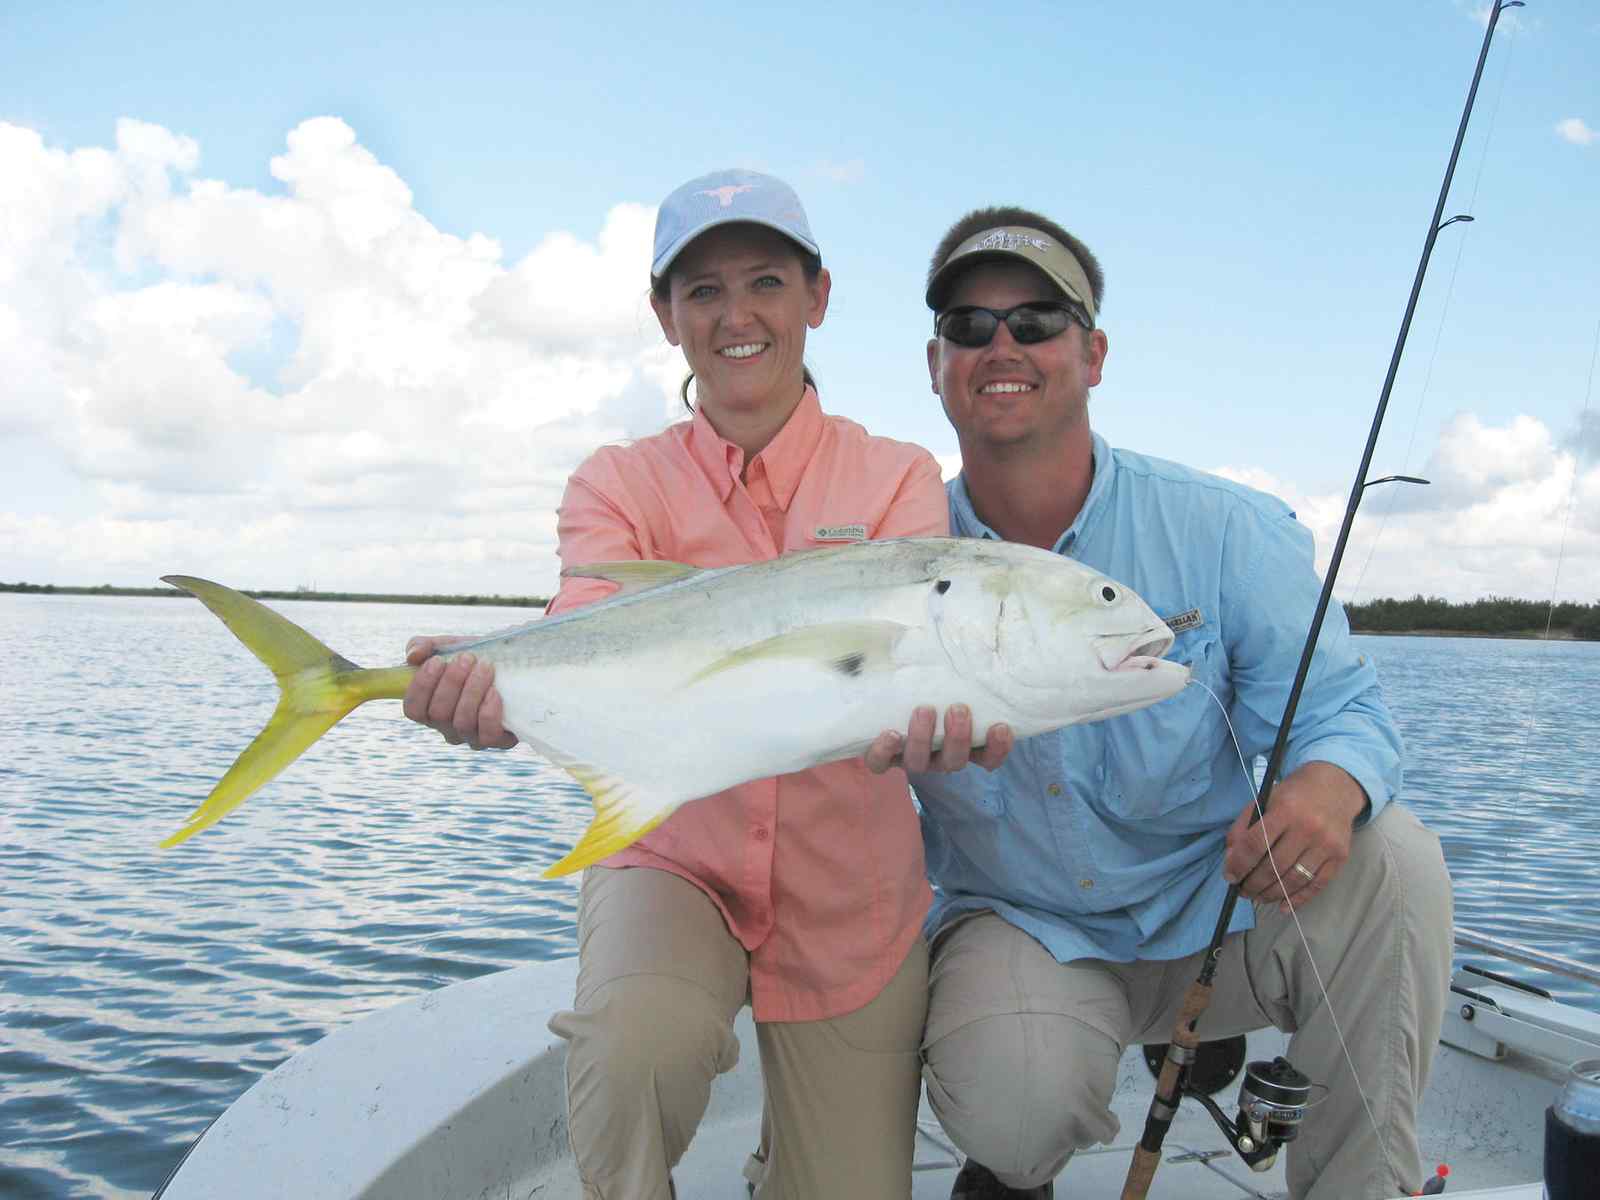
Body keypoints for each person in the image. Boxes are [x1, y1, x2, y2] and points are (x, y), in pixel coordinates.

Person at [402, 169, 955, 1199]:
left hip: (853, 890)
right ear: (665, 316)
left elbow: (919, 668)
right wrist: (497, 694)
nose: (736, 315)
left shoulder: (897, 479)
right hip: (673, 854)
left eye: (766, 282)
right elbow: (585, 633)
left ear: (818, 297)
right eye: (703, 291)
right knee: (632, 1052)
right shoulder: (617, 482)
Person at [893, 209, 1454, 1200]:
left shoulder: (1225, 528)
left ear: (1094, 353)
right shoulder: (892, 557)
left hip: (1221, 907)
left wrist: (1326, 789)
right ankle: (1025, 1143)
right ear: (936, 364)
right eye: (969, 327)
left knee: (1394, 858)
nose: (1002, 346)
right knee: (1015, 1121)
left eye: (1037, 321)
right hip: (1023, 924)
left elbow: (1343, 711)